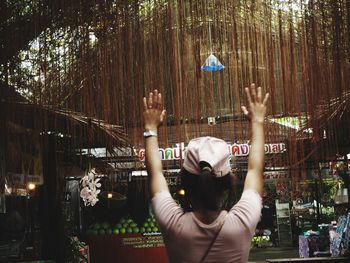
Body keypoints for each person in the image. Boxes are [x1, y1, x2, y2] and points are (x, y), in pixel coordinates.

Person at [143, 84, 269, 263]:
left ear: (184, 183)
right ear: (227, 185)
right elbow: (255, 169)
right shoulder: (242, 221)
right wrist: (257, 121)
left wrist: (150, 128)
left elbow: (154, 173)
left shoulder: (173, 223)